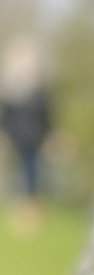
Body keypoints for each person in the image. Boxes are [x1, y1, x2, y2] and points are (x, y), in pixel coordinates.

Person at [0, 37, 52, 231]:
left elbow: (48, 116)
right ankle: (19, 215)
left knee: (33, 176)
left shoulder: (40, 90)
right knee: (17, 177)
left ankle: (32, 215)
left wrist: (51, 137)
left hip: (34, 140)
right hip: (16, 140)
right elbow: (5, 117)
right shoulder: (11, 91)